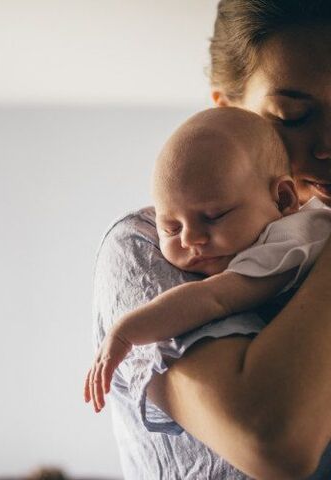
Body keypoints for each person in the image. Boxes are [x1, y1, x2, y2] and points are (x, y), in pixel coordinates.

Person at [90, 1, 331, 479]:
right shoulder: (155, 246)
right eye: (293, 116)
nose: (328, 145)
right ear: (229, 110)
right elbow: (272, 442)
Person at [84, 107, 331, 411]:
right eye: (171, 227)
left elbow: (213, 298)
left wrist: (125, 332)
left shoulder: (294, 239)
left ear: (283, 199)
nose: (190, 239)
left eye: (214, 216)